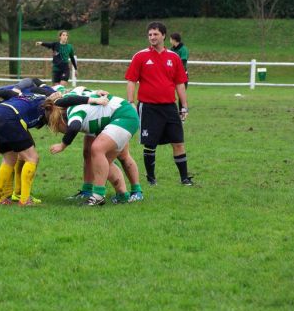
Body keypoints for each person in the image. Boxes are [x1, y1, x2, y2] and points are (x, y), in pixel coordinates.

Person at [46, 87, 141, 206]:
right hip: (118, 115)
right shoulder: (72, 99)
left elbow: (74, 127)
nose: (60, 132)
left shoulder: (73, 112)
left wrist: (62, 145)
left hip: (123, 116)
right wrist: (96, 93)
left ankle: (98, 195)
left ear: (60, 119)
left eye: (58, 128)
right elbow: (81, 90)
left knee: (98, 149)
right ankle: (122, 195)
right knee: (104, 161)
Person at [125, 21, 193, 187]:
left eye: (155, 34)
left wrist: (184, 106)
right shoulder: (140, 56)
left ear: (163, 35)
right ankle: (151, 179)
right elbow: (131, 80)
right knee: (150, 145)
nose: (152, 37)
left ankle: (184, 179)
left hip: (169, 107)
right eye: (150, 35)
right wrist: (131, 102)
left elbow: (179, 84)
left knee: (178, 142)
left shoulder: (174, 57)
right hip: (149, 108)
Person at [0, 78, 49, 202]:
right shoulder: (38, 95)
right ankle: (18, 194)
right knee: (14, 152)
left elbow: (31, 79)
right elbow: (30, 80)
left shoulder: (34, 91)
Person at [0, 89, 61, 206]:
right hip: (9, 116)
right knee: (32, 158)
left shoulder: (33, 96)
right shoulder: (44, 107)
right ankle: (25, 200)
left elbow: (11, 93)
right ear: (50, 108)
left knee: (9, 159)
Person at [170, 32, 189, 110]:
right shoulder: (171, 49)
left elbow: (182, 62)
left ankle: (182, 114)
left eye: (170, 39)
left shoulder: (184, 49)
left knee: (181, 95)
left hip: (182, 75)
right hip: (171, 75)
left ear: (174, 40)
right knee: (169, 93)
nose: (170, 41)